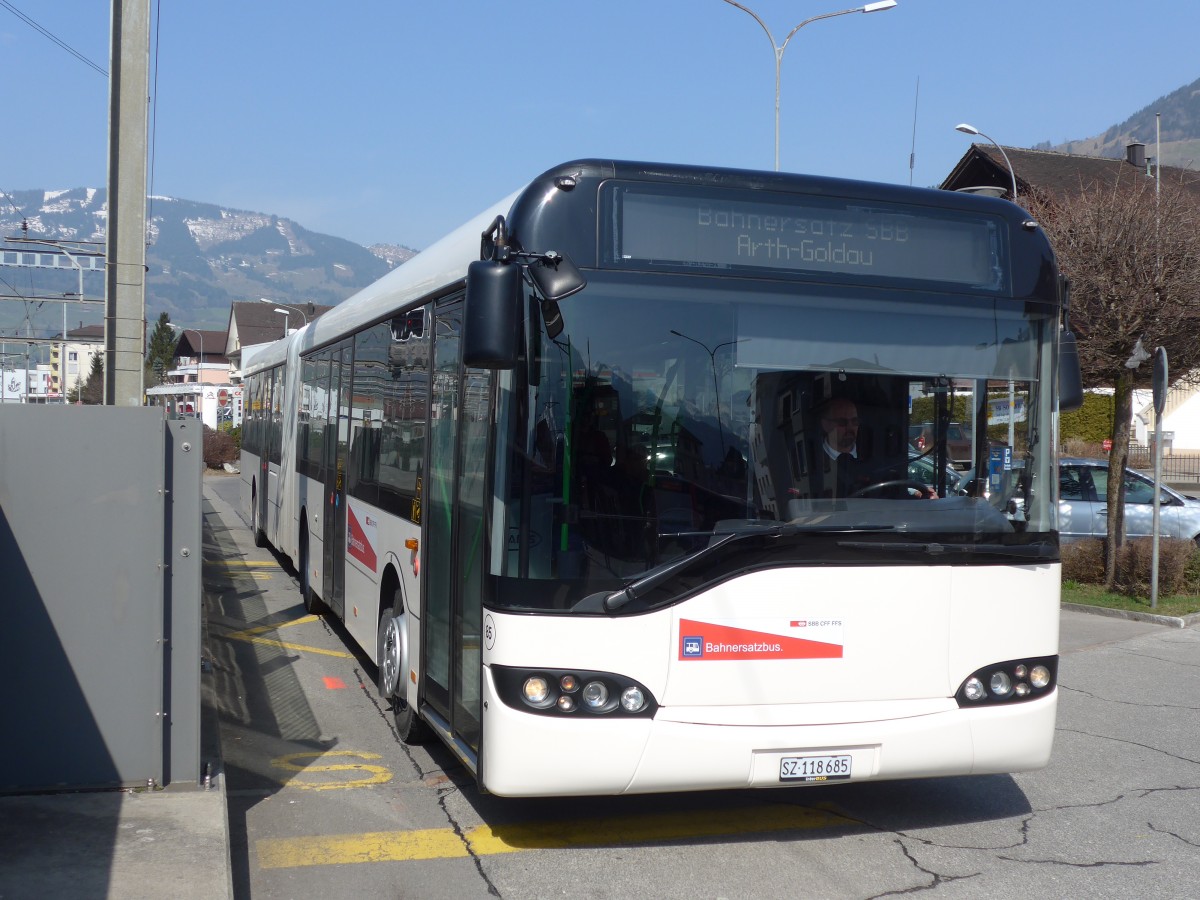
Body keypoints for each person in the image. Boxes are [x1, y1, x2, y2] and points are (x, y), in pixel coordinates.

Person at [815, 396, 860, 498]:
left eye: (855, 421)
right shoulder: (812, 462)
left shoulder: (872, 456)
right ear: (825, 424)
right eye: (842, 422)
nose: (850, 427)